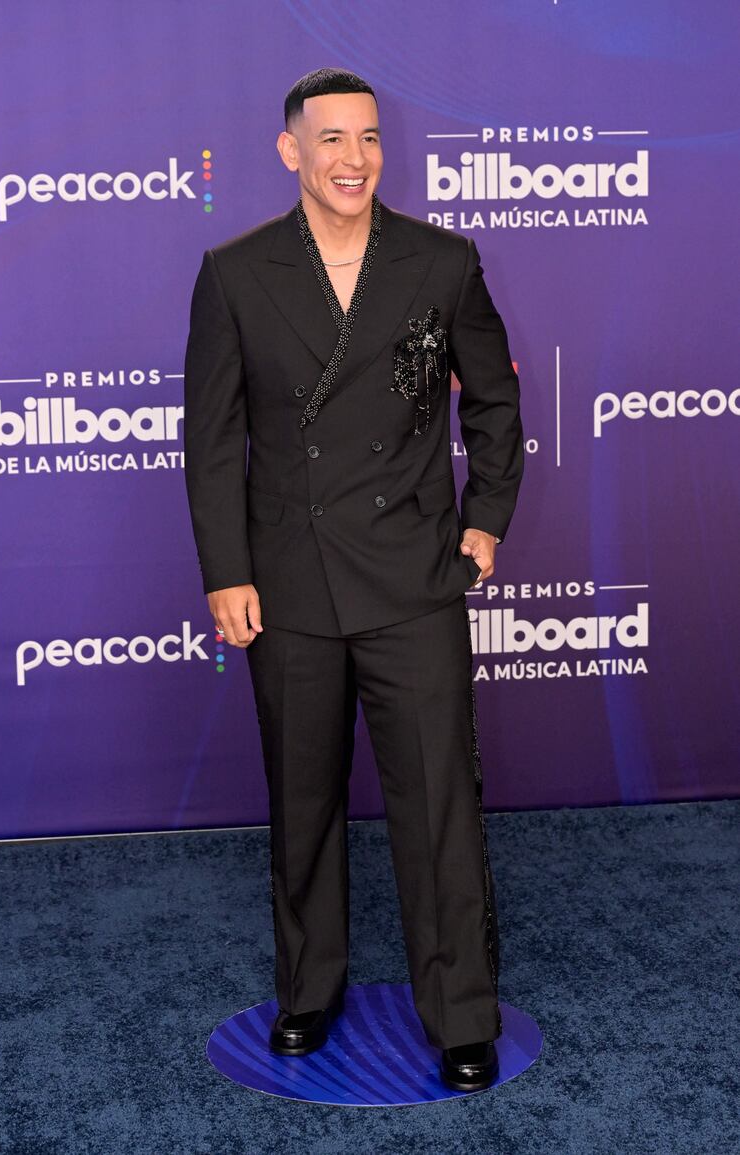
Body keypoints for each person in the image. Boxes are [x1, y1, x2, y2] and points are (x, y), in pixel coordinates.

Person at [183, 67, 523, 1092]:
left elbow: (495, 404)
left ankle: (459, 1011)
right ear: (291, 151)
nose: (352, 159)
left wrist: (484, 524)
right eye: (330, 139)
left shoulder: (441, 260)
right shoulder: (234, 272)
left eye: (368, 138)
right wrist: (226, 573)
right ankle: (307, 990)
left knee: (438, 809)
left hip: (413, 575)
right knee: (303, 801)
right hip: (286, 583)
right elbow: (212, 443)